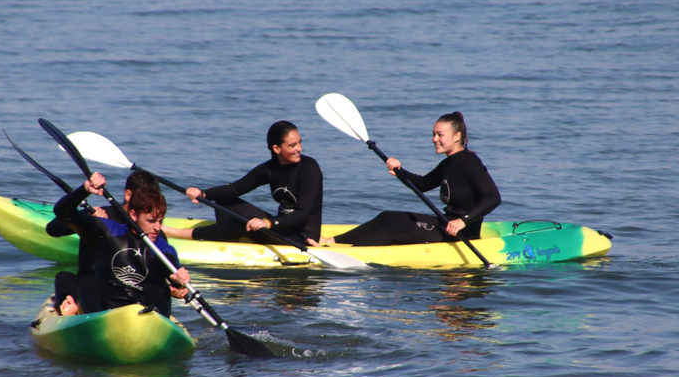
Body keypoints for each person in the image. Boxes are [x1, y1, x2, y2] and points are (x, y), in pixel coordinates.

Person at [321, 112, 500, 246]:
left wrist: (463, 220)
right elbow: (422, 184)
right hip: (445, 222)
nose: (434, 139)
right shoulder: (449, 163)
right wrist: (400, 171)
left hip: (462, 233)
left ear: (457, 136)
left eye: (440, 135)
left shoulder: (470, 162)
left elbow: (493, 197)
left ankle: (352, 252)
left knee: (396, 228)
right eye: (433, 134)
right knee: (388, 217)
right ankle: (332, 241)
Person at [162, 120, 324, 246]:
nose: (299, 148)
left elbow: (302, 213)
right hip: (279, 227)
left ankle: (180, 234)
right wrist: (203, 194)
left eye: (299, 142)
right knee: (225, 201)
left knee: (244, 224)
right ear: (276, 149)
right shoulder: (270, 169)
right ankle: (229, 236)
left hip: (301, 237)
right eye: (292, 145)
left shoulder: (309, 168)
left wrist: (267, 223)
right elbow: (233, 189)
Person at [51, 172, 190, 317]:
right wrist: (84, 190)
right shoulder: (107, 228)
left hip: (141, 303)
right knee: (74, 279)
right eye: (151, 221)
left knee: (160, 288)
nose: (157, 228)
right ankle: (79, 312)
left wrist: (178, 280)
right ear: (134, 215)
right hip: (107, 300)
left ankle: (157, 321)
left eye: (160, 221)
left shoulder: (160, 243)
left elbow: (169, 264)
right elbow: (62, 212)